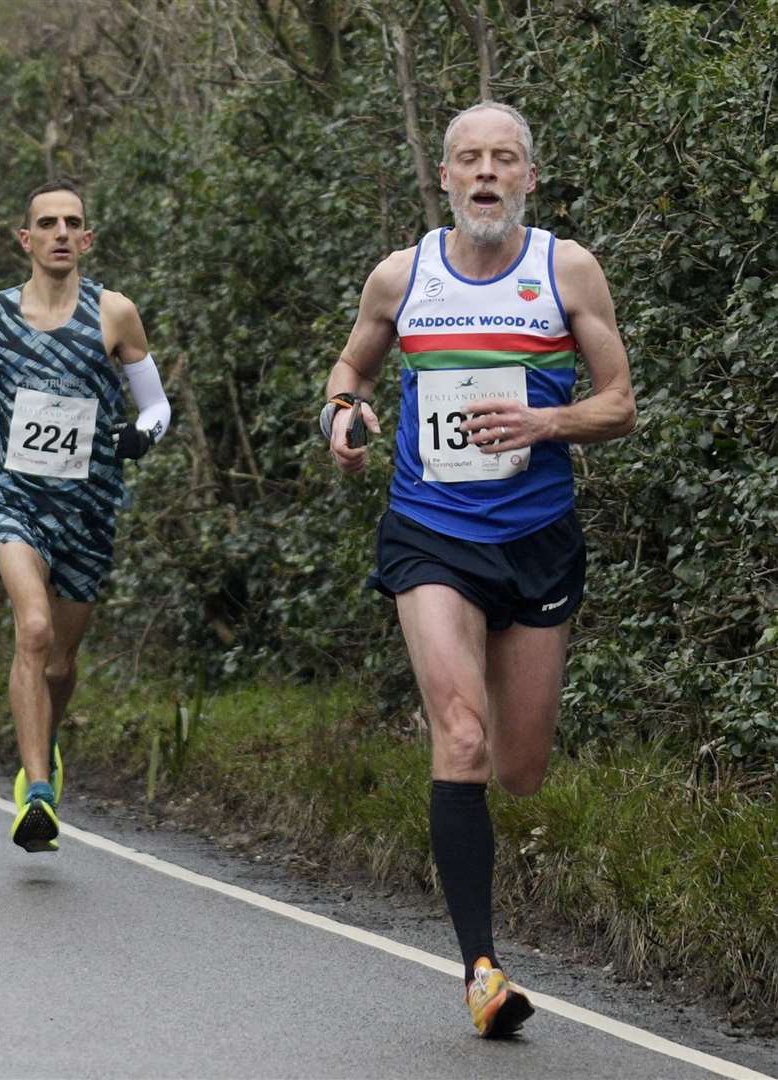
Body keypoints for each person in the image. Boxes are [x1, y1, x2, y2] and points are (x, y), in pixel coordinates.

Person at [321, 102, 636, 1037]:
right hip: (431, 530)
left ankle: (469, 760)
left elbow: (618, 404)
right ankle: (482, 973)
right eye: (470, 160)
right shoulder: (402, 276)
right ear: (447, 178)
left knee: (520, 767)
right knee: (459, 739)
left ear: (529, 178)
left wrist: (546, 423)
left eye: (505, 160)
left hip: (537, 535)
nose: (486, 174)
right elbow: (352, 370)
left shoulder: (564, 269)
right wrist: (344, 416)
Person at [0, 178, 171, 853]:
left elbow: (156, 405)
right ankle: (36, 790)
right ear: (27, 238)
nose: (62, 233)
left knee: (61, 662)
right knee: (33, 631)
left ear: (88, 238)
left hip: (90, 506)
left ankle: (46, 742)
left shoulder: (114, 314)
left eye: (73, 223)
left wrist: (141, 436)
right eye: (48, 223)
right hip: (16, 500)